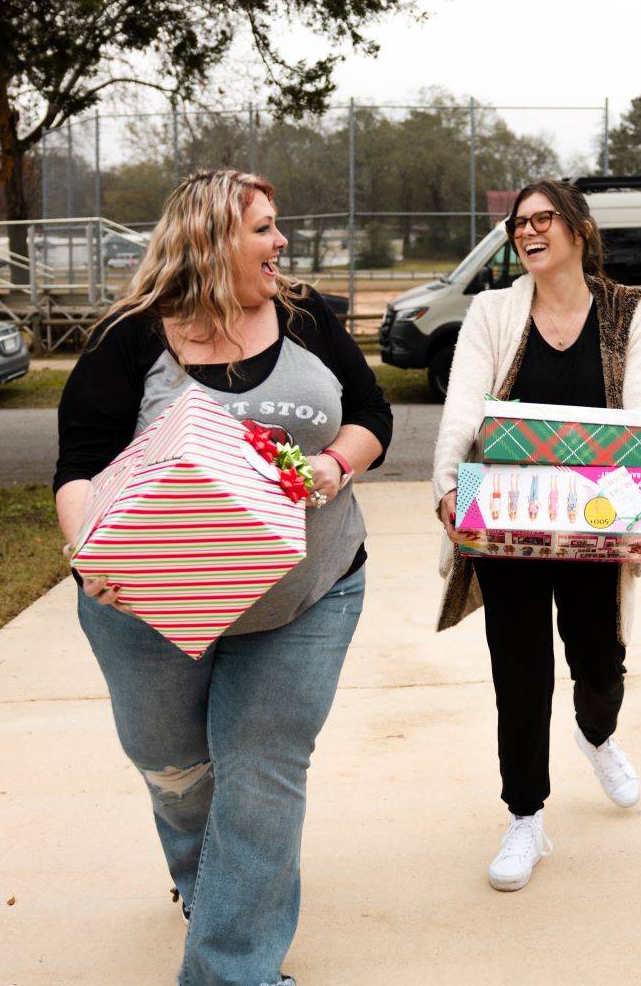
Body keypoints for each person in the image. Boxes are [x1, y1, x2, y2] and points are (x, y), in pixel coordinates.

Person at [54, 169, 391, 986]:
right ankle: (207, 885)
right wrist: (93, 552)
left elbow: (371, 417)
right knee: (173, 767)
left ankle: (228, 967)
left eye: (279, 228)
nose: (282, 244)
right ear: (211, 239)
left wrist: (334, 467)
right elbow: (78, 471)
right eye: (265, 229)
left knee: (261, 771)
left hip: (305, 596)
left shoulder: (308, 316)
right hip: (152, 608)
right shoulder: (130, 337)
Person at [430, 178, 641, 893]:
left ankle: (596, 733)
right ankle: (526, 817)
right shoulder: (493, 311)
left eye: (544, 219)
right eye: (519, 223)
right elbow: (463, 407)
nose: (529, 232)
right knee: (520, 666)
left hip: (598, 518)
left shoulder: (625, 313)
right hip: (505, 511)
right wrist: (449, 487)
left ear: (579, 229)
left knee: (599, 662)